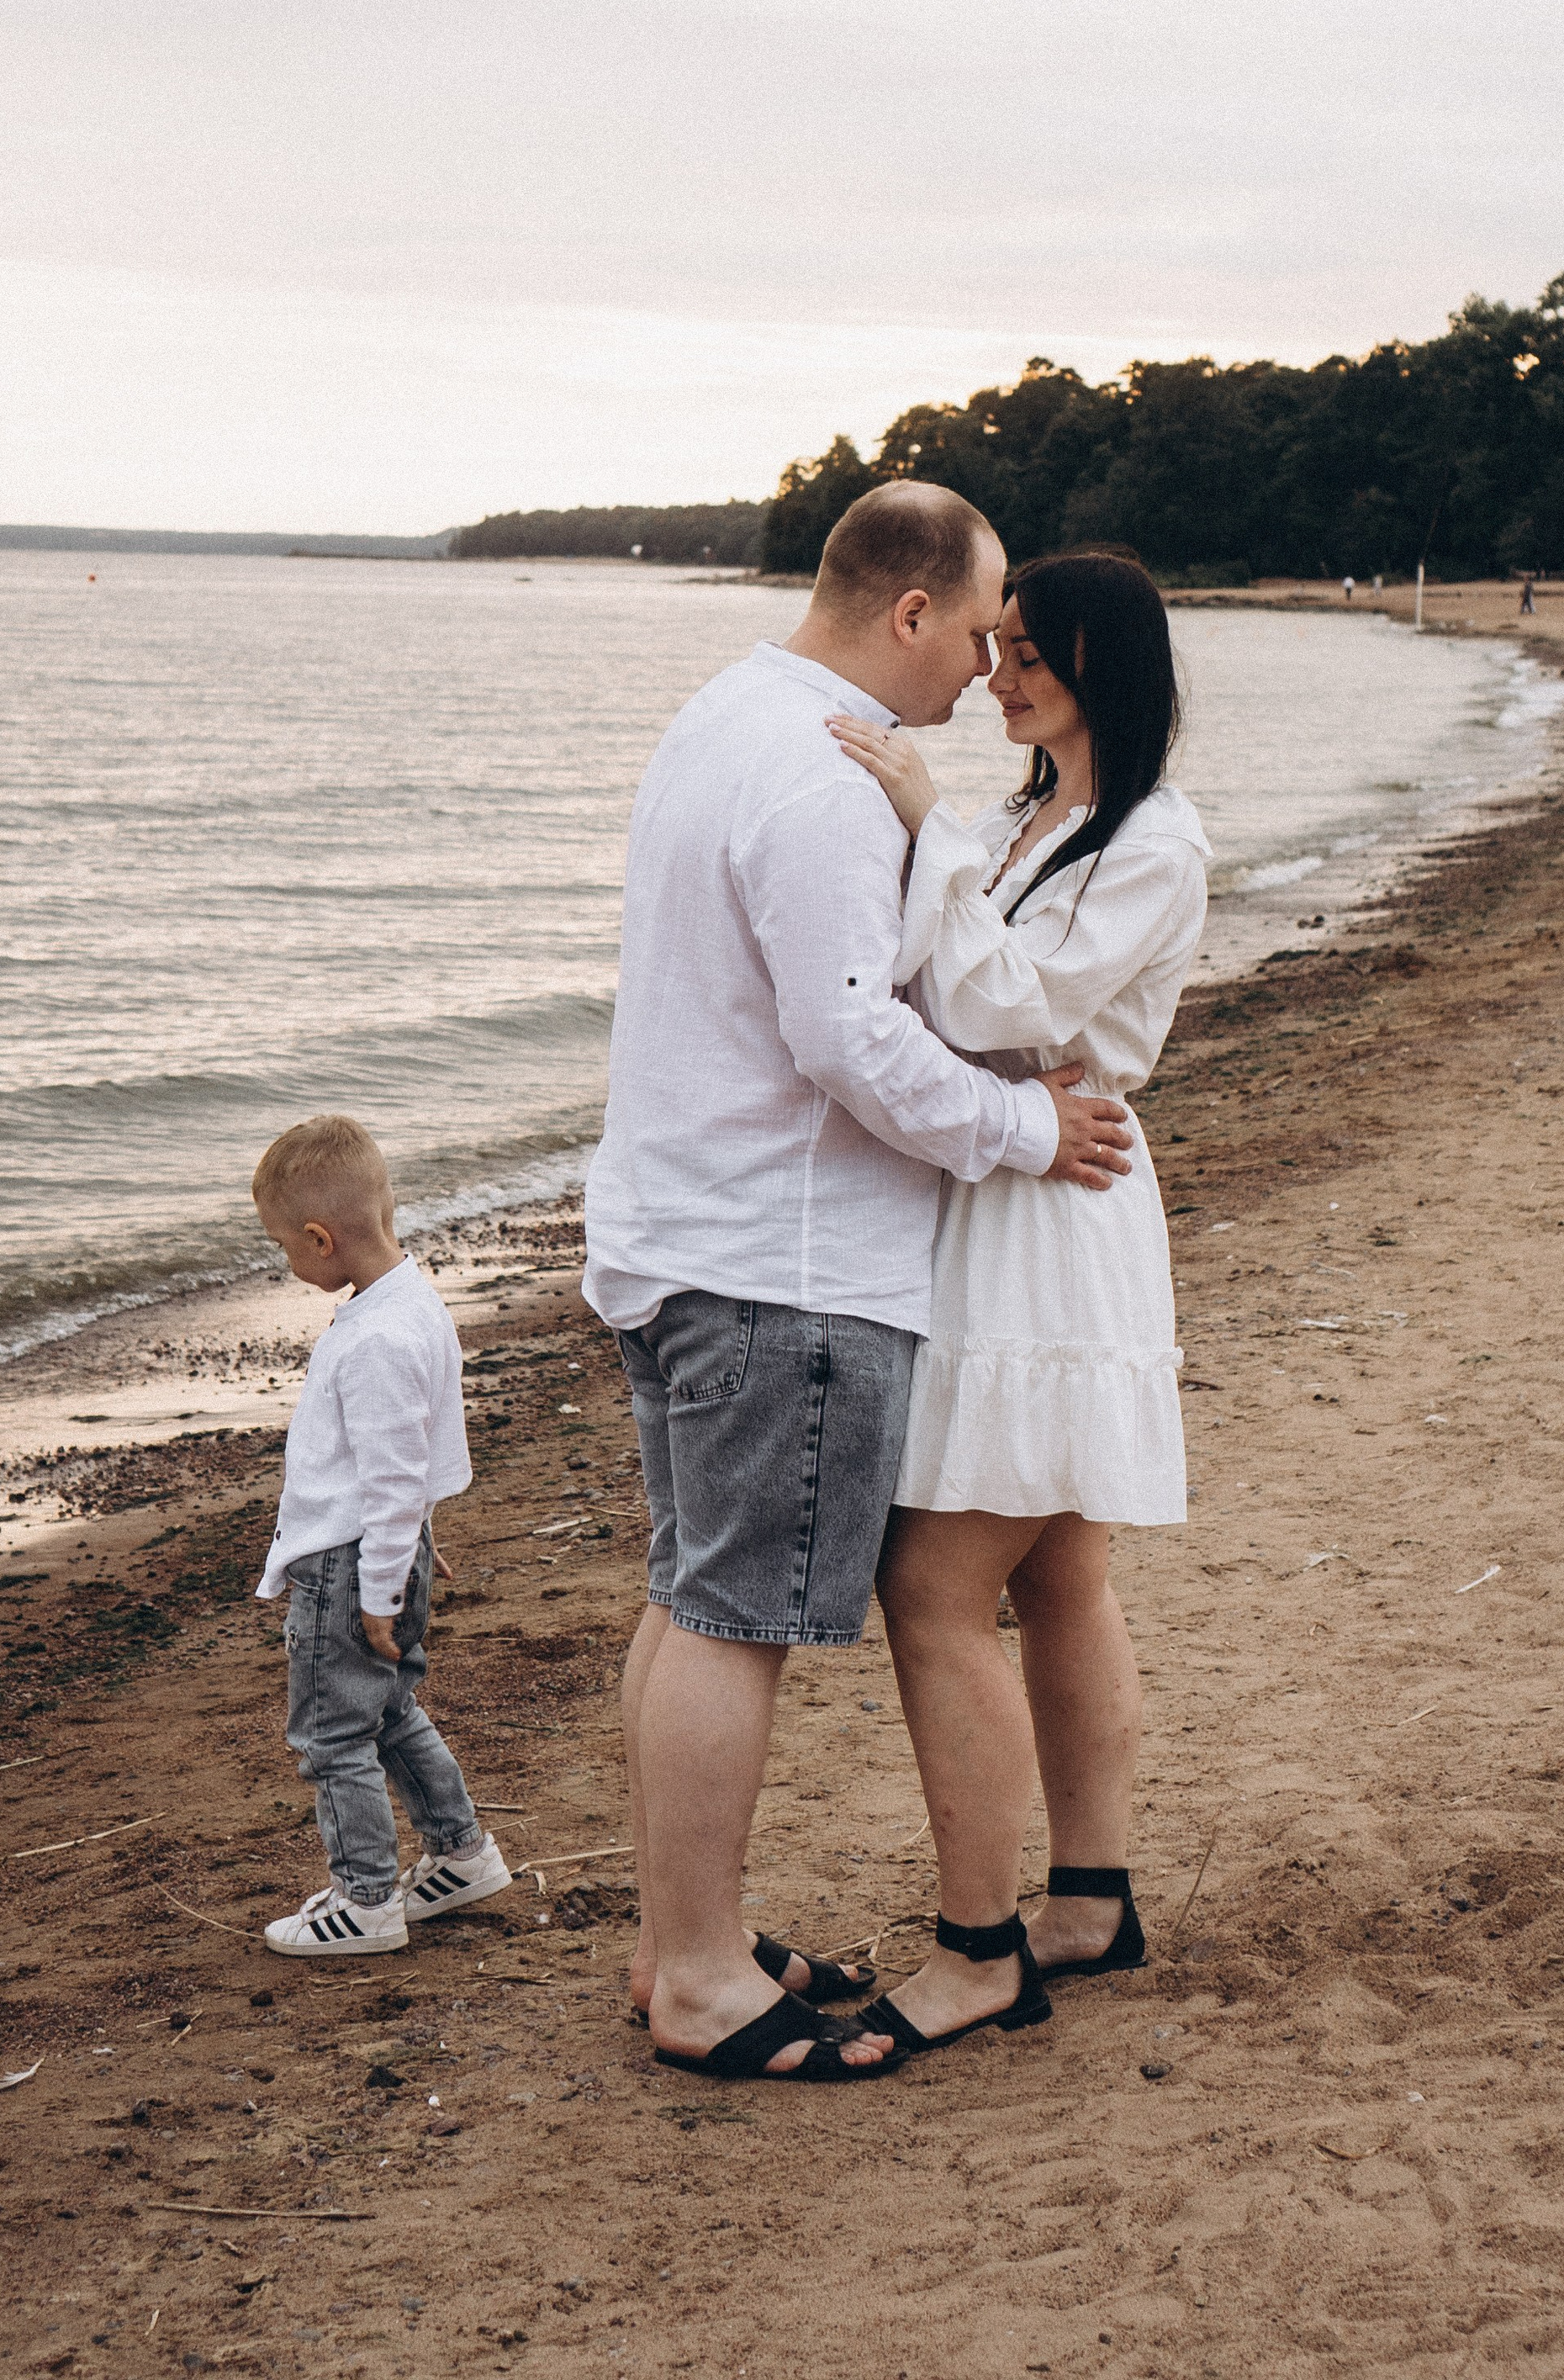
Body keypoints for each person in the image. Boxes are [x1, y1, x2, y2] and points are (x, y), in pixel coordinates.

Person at [584, 483, 1135, 2082]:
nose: (981, 672)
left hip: (682, 1229)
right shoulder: (828, 774)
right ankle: (695, 1970)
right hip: (786, 1254)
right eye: (974, 633)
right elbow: (846, 1038)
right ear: (908, 613)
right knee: (732, 1624)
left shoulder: (720, 717)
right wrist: (1025, 1128)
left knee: (690, 1598)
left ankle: (673, 1935)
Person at [823, 550, 1209, 2061]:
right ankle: (1091, 1900)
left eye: (1031, 652)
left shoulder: (1155, 842)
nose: (998, 673)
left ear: (1101, 662)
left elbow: (1003, 1008)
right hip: (1007, 1178)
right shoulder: (1019, 815)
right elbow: (932, 990)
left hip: (1061, 1199)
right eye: (998, 648)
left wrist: (921, 824)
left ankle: (982, 1946)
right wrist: (937, 848)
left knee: (933, 1585)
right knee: (1054, 1578)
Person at [251, 1115, 510, 1957]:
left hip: (353, 1567)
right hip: (388, 1552)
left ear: (322, 1238)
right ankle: (461, 1852)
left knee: (332, 1733)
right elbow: (418, 1452)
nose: (287, 1262)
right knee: (389, 1708)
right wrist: (412, 1546)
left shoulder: (376, 1339)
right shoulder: (410, 1301)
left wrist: (378, 1588)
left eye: (287, 1246)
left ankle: (364, 1900)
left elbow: (393, 1473)